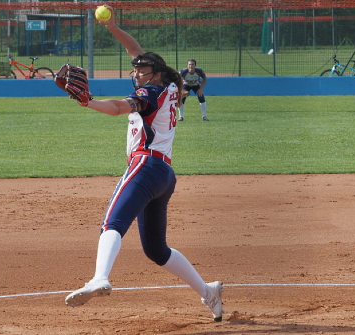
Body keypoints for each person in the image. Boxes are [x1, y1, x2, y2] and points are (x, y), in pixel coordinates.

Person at [63, 5, 223, 322]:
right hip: (164, 174)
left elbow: (119, 108)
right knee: (156, 250)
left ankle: (99, 277)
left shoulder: (152, 90)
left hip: (146, 165)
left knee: (112, 222)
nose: (135, 72)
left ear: (156, 72)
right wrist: (111, 25)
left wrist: (88, 101)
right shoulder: (169, 85)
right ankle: (209, 292)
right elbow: (136, 51)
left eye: (140, 70)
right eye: (135, 70)